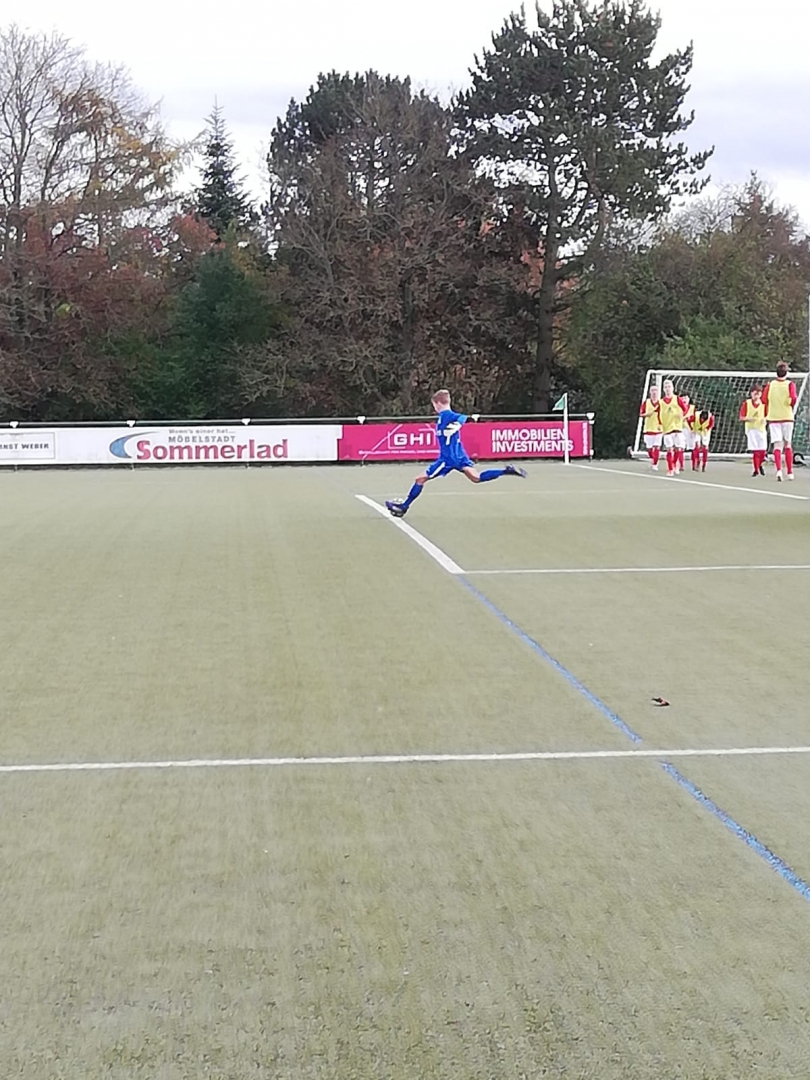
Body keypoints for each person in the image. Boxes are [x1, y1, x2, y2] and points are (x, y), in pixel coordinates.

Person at [385, 390, 526, 517]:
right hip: (459, 455)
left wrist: (459, 424)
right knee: (476, 478)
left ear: (438, 403)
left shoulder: (446, 415)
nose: (434, 408)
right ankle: (505, 471)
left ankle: (404, 507)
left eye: (434, 405)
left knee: (419, 479)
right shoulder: (444, 417)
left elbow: (462, 418)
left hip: (447, 459)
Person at [762, 362, 797, 481]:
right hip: (787, 417)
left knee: (777, 445)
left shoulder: (770, 385)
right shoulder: (789, 384)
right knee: (787, 444)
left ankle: (778, 470)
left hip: (773, 418)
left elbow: (764, 400)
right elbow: (793, 399)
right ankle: (789, 471)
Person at [659, 379, 688, 476]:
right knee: (669, 449)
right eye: (666, 387)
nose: (668, 389)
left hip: (677, 428)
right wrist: (659, 425)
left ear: (673, 388)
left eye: (669, 387)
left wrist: (681, 415)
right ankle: (670, 469)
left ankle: (675, 465)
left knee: (678, 449)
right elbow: (658, 414)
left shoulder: (677, 399)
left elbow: (685, 409)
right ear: (663, 389)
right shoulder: (661, 402)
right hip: (667, 428)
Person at [739, 385, 767, 477]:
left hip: (761, 429)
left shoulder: (763, 404)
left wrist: (765, 419)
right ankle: (756, 469)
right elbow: (741, 417)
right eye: (755, 394)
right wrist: (748, 419)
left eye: (758, 394)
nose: (756, 396)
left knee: (762, 450)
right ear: (751, 394)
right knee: (755, 450)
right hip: (751, 429)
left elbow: (767, 415)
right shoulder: (746, 404)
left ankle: (760, 464)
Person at [639, 384, 663, 470]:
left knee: (656, 447)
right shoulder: (646, 403)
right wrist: (647, 414)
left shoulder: (661, 403)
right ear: (650, 392)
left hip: (659, 428)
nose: (654, 392)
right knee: (649, 448)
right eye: (652, 390)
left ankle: (655, 464)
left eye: (656, 390)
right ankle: (653, 460)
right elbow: (641, 414)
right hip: (648, 429)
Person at [681, 394, 697, 468]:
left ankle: (694, 464)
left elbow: (695, 419)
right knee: (680, 447)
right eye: (682, 398)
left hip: (690, 429)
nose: (684, 400)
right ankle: (681, 465)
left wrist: (694, 428)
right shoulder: (677, 408)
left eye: (686, 398)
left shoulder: (692, 408)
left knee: (693, 447)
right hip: (680, 429)